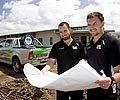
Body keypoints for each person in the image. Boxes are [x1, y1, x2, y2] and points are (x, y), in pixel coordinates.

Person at [41, 21, 85, 100]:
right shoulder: (56, 46)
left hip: (76, 81)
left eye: (65, 30)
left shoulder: (79, 45)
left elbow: (84, 61)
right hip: (62, 81)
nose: (63, 33)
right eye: (60, 32)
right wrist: (44, 70)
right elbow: (51, 61)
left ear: (69, 30)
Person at [86, 11, 120, 100]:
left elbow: (118, 71)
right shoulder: (89, 45)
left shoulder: (112, 42)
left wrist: (111, 80)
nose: (91, 27)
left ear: (102, 24)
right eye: (89, 25)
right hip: (92, 90)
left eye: (95, 23)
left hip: (108, 92)